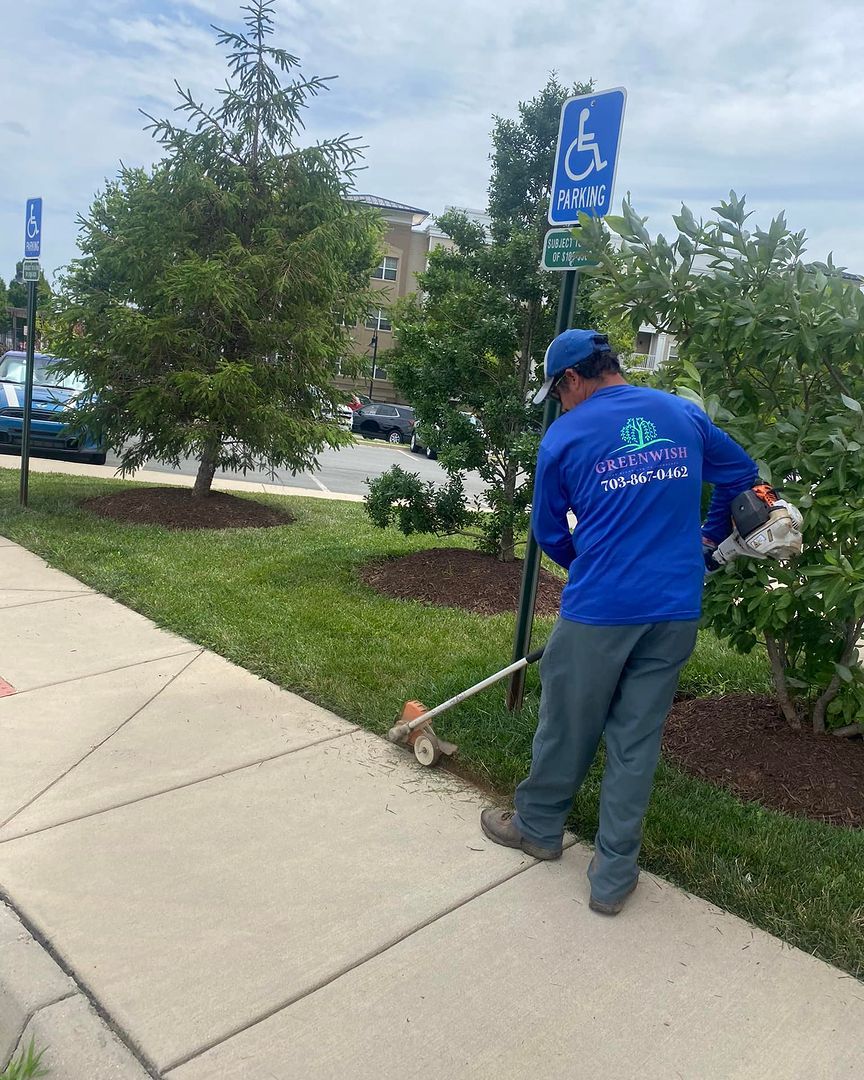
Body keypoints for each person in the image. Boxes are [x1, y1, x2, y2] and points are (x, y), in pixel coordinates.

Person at [480, 329, 758, 915]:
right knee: (635, 741)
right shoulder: (682, 415)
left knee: (567, 726)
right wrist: (706, 537)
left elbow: (549, 531)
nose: (558, 404)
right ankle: (612, 878)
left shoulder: (566, 435)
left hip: (600, 611)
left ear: (573, 379)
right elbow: (741, 477)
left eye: (557, 393)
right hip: (674, 609)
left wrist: (592, 566)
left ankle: (537, 827)